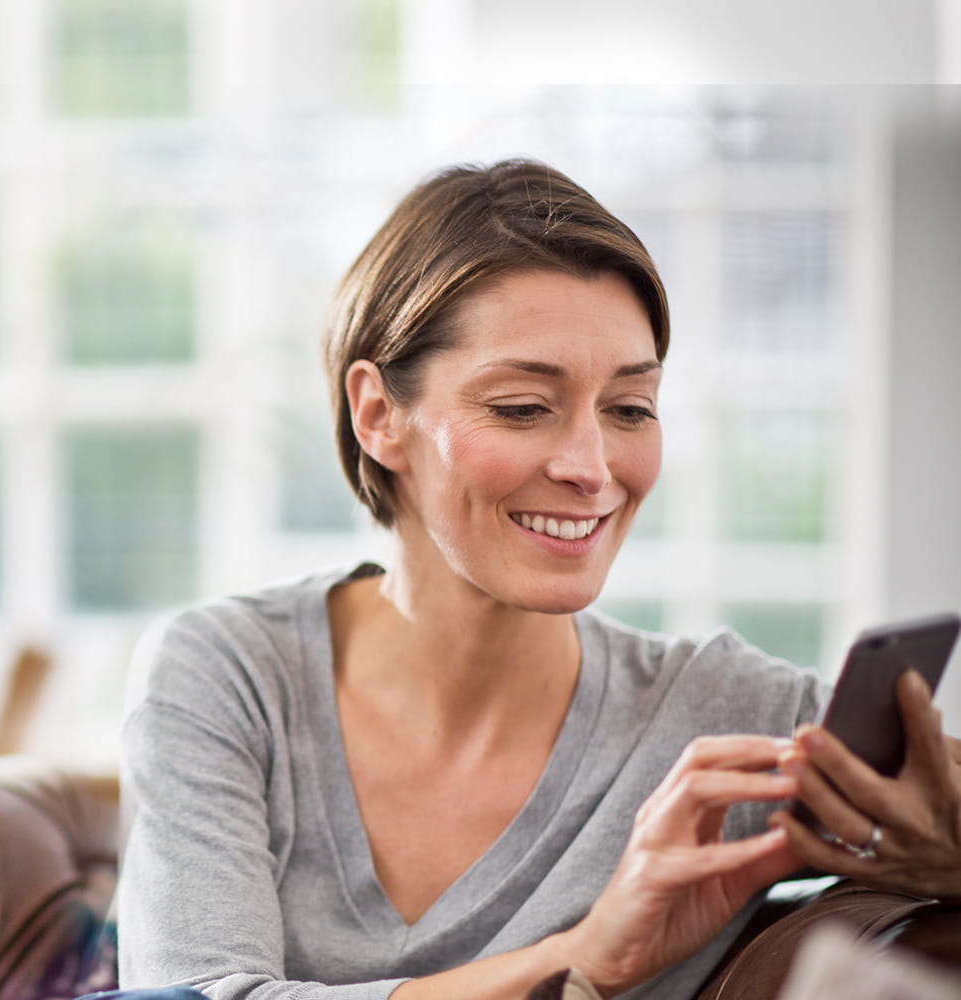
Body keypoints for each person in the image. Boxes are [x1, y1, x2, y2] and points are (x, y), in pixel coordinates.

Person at [114, 160, 961, 999]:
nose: (592, 469)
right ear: (378, 416)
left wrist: (940, 852)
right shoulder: (227, 674)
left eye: (630, 409)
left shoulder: (723, 720)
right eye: (522, 408)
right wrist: (588, 955)